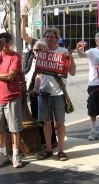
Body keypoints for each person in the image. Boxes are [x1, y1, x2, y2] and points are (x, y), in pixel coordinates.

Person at [36, 28, 76, 161]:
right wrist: (36, 87)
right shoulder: (41, 52)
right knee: (46, 123)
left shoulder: (63, 52)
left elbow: (73, 72)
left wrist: (71, 59)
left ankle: (61, 151)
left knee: (60, 123)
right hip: (44, 93)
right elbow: (39, 73)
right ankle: (48, 149)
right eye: (46, 36)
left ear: (57, 38)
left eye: (51, 37)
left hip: (58, 93)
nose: (48, 39)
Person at [21, 16, 57, 149]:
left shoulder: (50, 52)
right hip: (31, 88)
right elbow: (24, 35)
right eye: (36, 50)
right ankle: (43, 141)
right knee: (37, 116)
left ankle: (51, 142)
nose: (38, 52)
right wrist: (23, 19)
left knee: (46, 118)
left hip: (43, 89)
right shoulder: (34, 50)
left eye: (51, 36)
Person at [77, 32, 99, 141]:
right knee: (92, 110)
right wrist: (79, 49)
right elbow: (81, 55)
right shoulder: (92, 51)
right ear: (96, 41)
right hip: (93, 84)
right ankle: (93, 131)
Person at [0, 32, 23, 168]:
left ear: (11, 42)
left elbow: (10, 76)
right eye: (2, 41)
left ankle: (15, 155)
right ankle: (3, 155)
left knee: (14, 129)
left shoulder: (15, 57)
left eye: (7, 40)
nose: (5, 43)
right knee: (0, 129)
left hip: (12, 97)